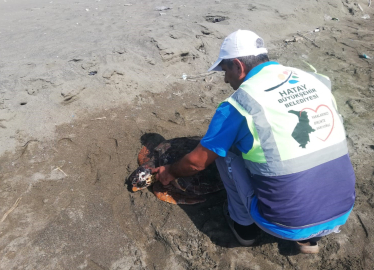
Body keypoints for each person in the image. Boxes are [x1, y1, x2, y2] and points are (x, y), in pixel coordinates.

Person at [151, 30, 355, 254]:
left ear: (238, 65)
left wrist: (170, 171)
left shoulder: (241, 102)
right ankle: (314, 232)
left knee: (222, 150)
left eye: (226, 70)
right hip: (342, 210)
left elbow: (197, 163)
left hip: (284, 222)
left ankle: (244, 228)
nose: (226, 78)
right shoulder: (315, 79)